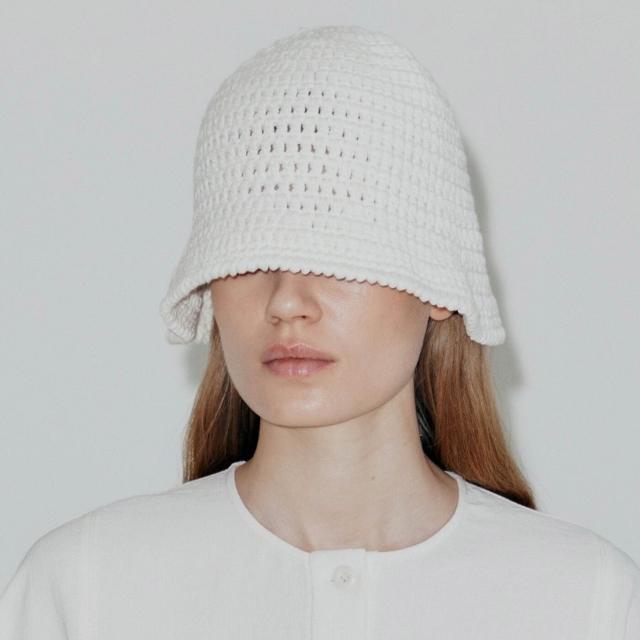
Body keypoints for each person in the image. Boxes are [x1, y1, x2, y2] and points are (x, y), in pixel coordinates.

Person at [1, 24, 638, 640]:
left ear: (437, 287)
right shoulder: (83, 586)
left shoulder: (583, 599)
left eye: (338, 256)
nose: (287, 303)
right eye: (248, 257)